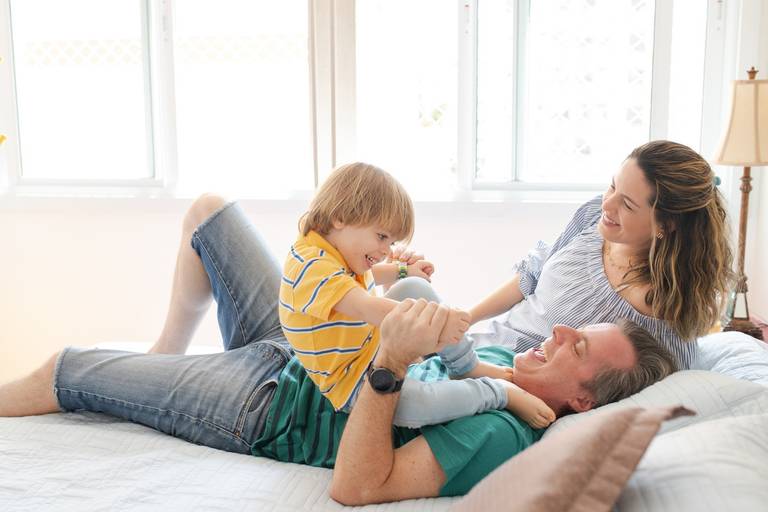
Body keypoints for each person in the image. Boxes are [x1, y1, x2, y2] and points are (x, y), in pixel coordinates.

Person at [0, 195, 677, 503]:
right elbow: (427, 337)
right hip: (308, 348)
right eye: (571, 328)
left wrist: (389, 363)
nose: (557, 332)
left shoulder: (501, 432)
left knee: (68, 369)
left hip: (269, 404)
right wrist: (390, 283)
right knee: (209, 215)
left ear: (581, 400)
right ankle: (167, 350)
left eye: (577, 346)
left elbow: (357, 487)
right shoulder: (506, 363)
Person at [280, 162, 554, 429]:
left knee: (414, 287)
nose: (386, 250)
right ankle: (497, 393)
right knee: (417, 403)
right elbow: (365, 307)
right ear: (340, 217)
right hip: (354, 384)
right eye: (381, 237)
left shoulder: (335, 251)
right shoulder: (309, 266)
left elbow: (369, 276)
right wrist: (436, 323)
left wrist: (403, 271)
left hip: (373, 349)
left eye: (392, 242)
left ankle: (465, 365)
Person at [462, 140, 734, 370]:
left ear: (667, 224)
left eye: (627, 205)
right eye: (613, 186)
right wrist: (464, 319)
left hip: (511, 380)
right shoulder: (595, 216)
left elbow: (671, 377)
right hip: (479, 347)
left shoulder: (657, 311)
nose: (608, 204)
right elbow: (532, 276)